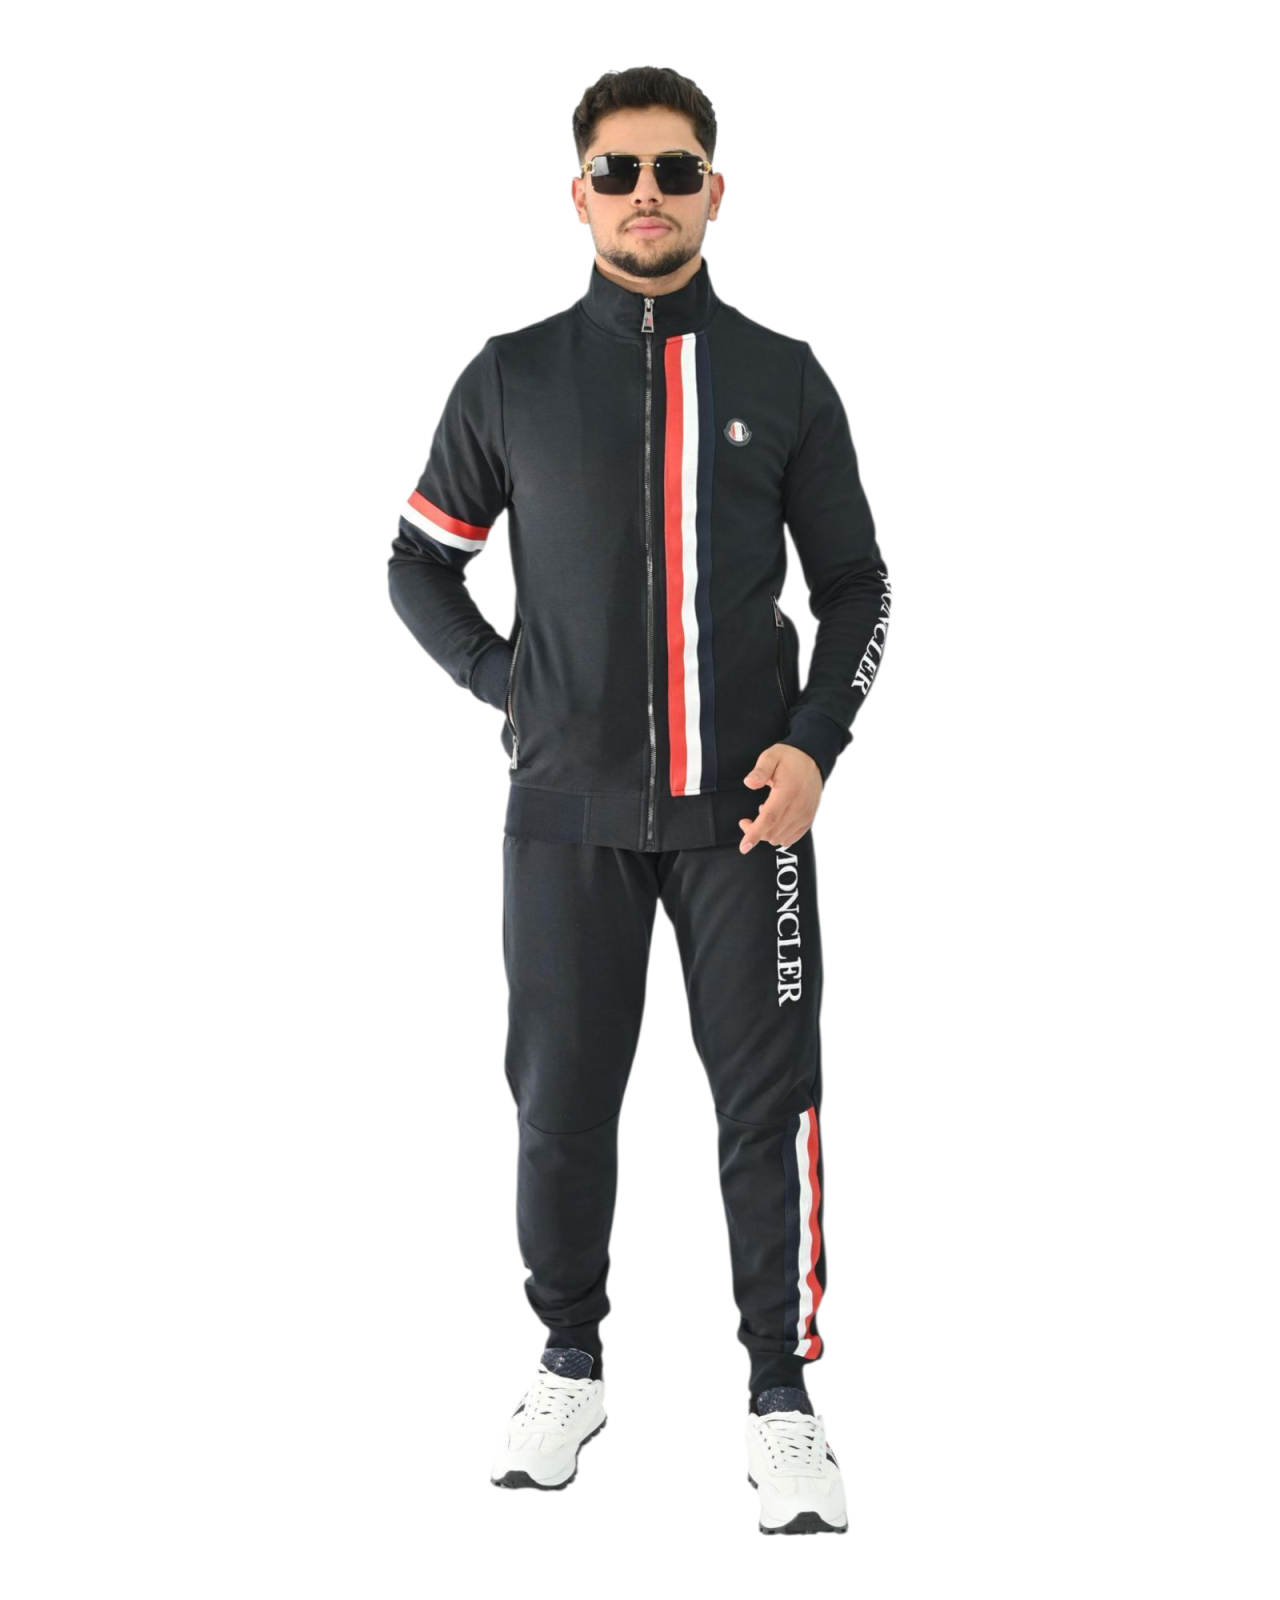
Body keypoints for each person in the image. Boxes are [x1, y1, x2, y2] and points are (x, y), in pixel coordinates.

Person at [388, 65, 890, 1535]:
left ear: (715, 191)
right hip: (566, 819)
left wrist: (815, 747)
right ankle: (569, 1363)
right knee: (558, 1107)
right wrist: (509, 685)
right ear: (580, 194)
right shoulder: (513, 376)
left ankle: (781, 1397)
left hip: (748, 823)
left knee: (768, 1106)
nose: (647, 195)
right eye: (619, 171)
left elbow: (859, 587)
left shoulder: (784, 377)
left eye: (674, 169)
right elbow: (418, 561)